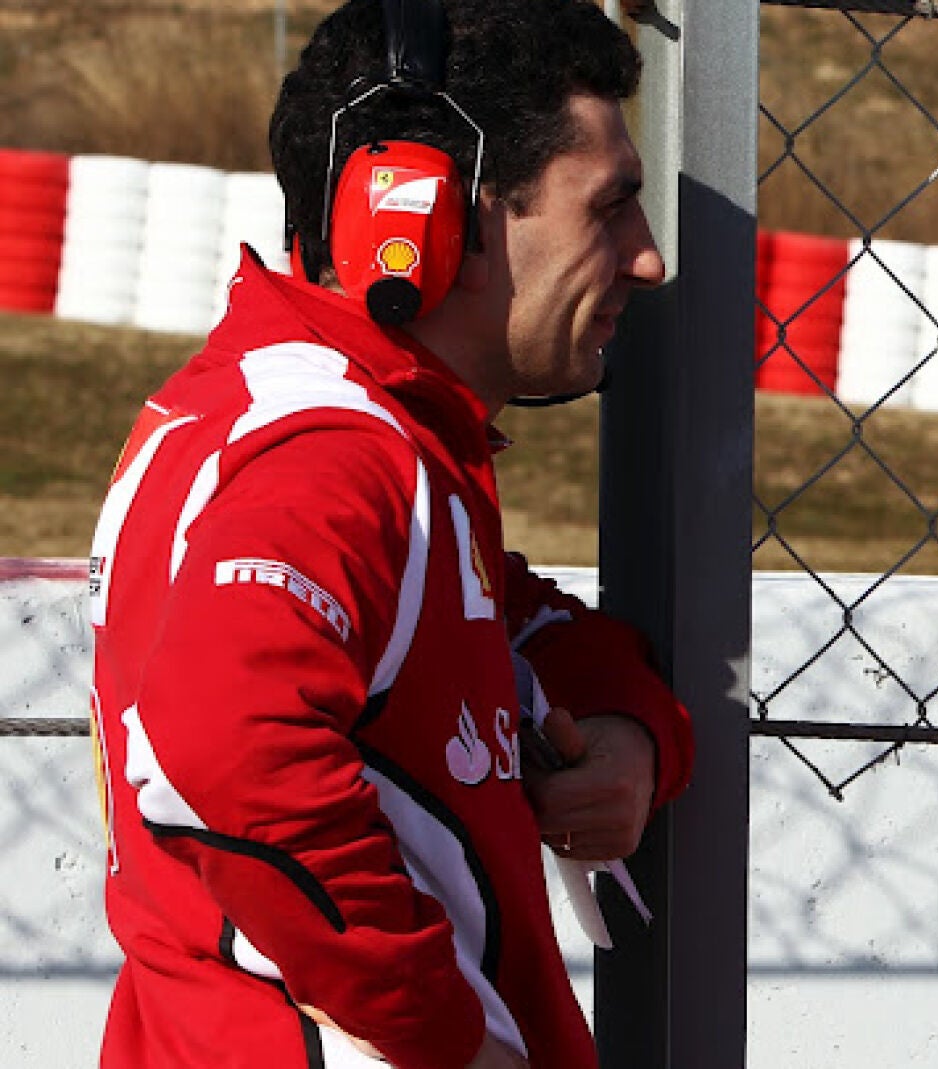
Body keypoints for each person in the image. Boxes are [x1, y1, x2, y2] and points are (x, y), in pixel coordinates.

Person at [87, 1, 693, 1066]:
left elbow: (503, 616)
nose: (645, 261)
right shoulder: (333, 454)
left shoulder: (341, 425)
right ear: (422, 218)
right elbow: (222, 749)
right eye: (611, 208)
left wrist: (629, 727)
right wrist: (443, 1036)